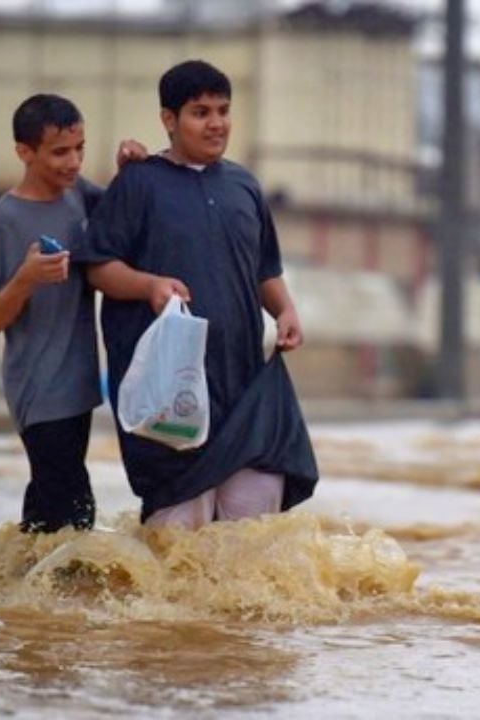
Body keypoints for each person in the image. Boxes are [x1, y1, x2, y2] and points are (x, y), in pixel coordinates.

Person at [85, 59, 318, 530]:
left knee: (253, 542)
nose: (216, 123)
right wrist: (149, 285)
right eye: (200, 112)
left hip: (245, 389)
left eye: (223, 111)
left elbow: (264, 270)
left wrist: (285, 310)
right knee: (176, 546)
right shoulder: (138, 182)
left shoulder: (244, 186)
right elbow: (98, 267)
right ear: (168, 119)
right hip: (171, 393)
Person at [0, 94, 146, 533]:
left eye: (79, 149)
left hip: (79, 384)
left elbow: (123, 215)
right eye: (59, 152)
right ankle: (56, 575)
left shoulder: (79, 194)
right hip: (37, 388)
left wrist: (128, 170)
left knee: (47, 508)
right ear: (24, 152)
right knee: (74, 509)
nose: (73, 162)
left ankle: (15, 575)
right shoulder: (3, 220)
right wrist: (26, 277)